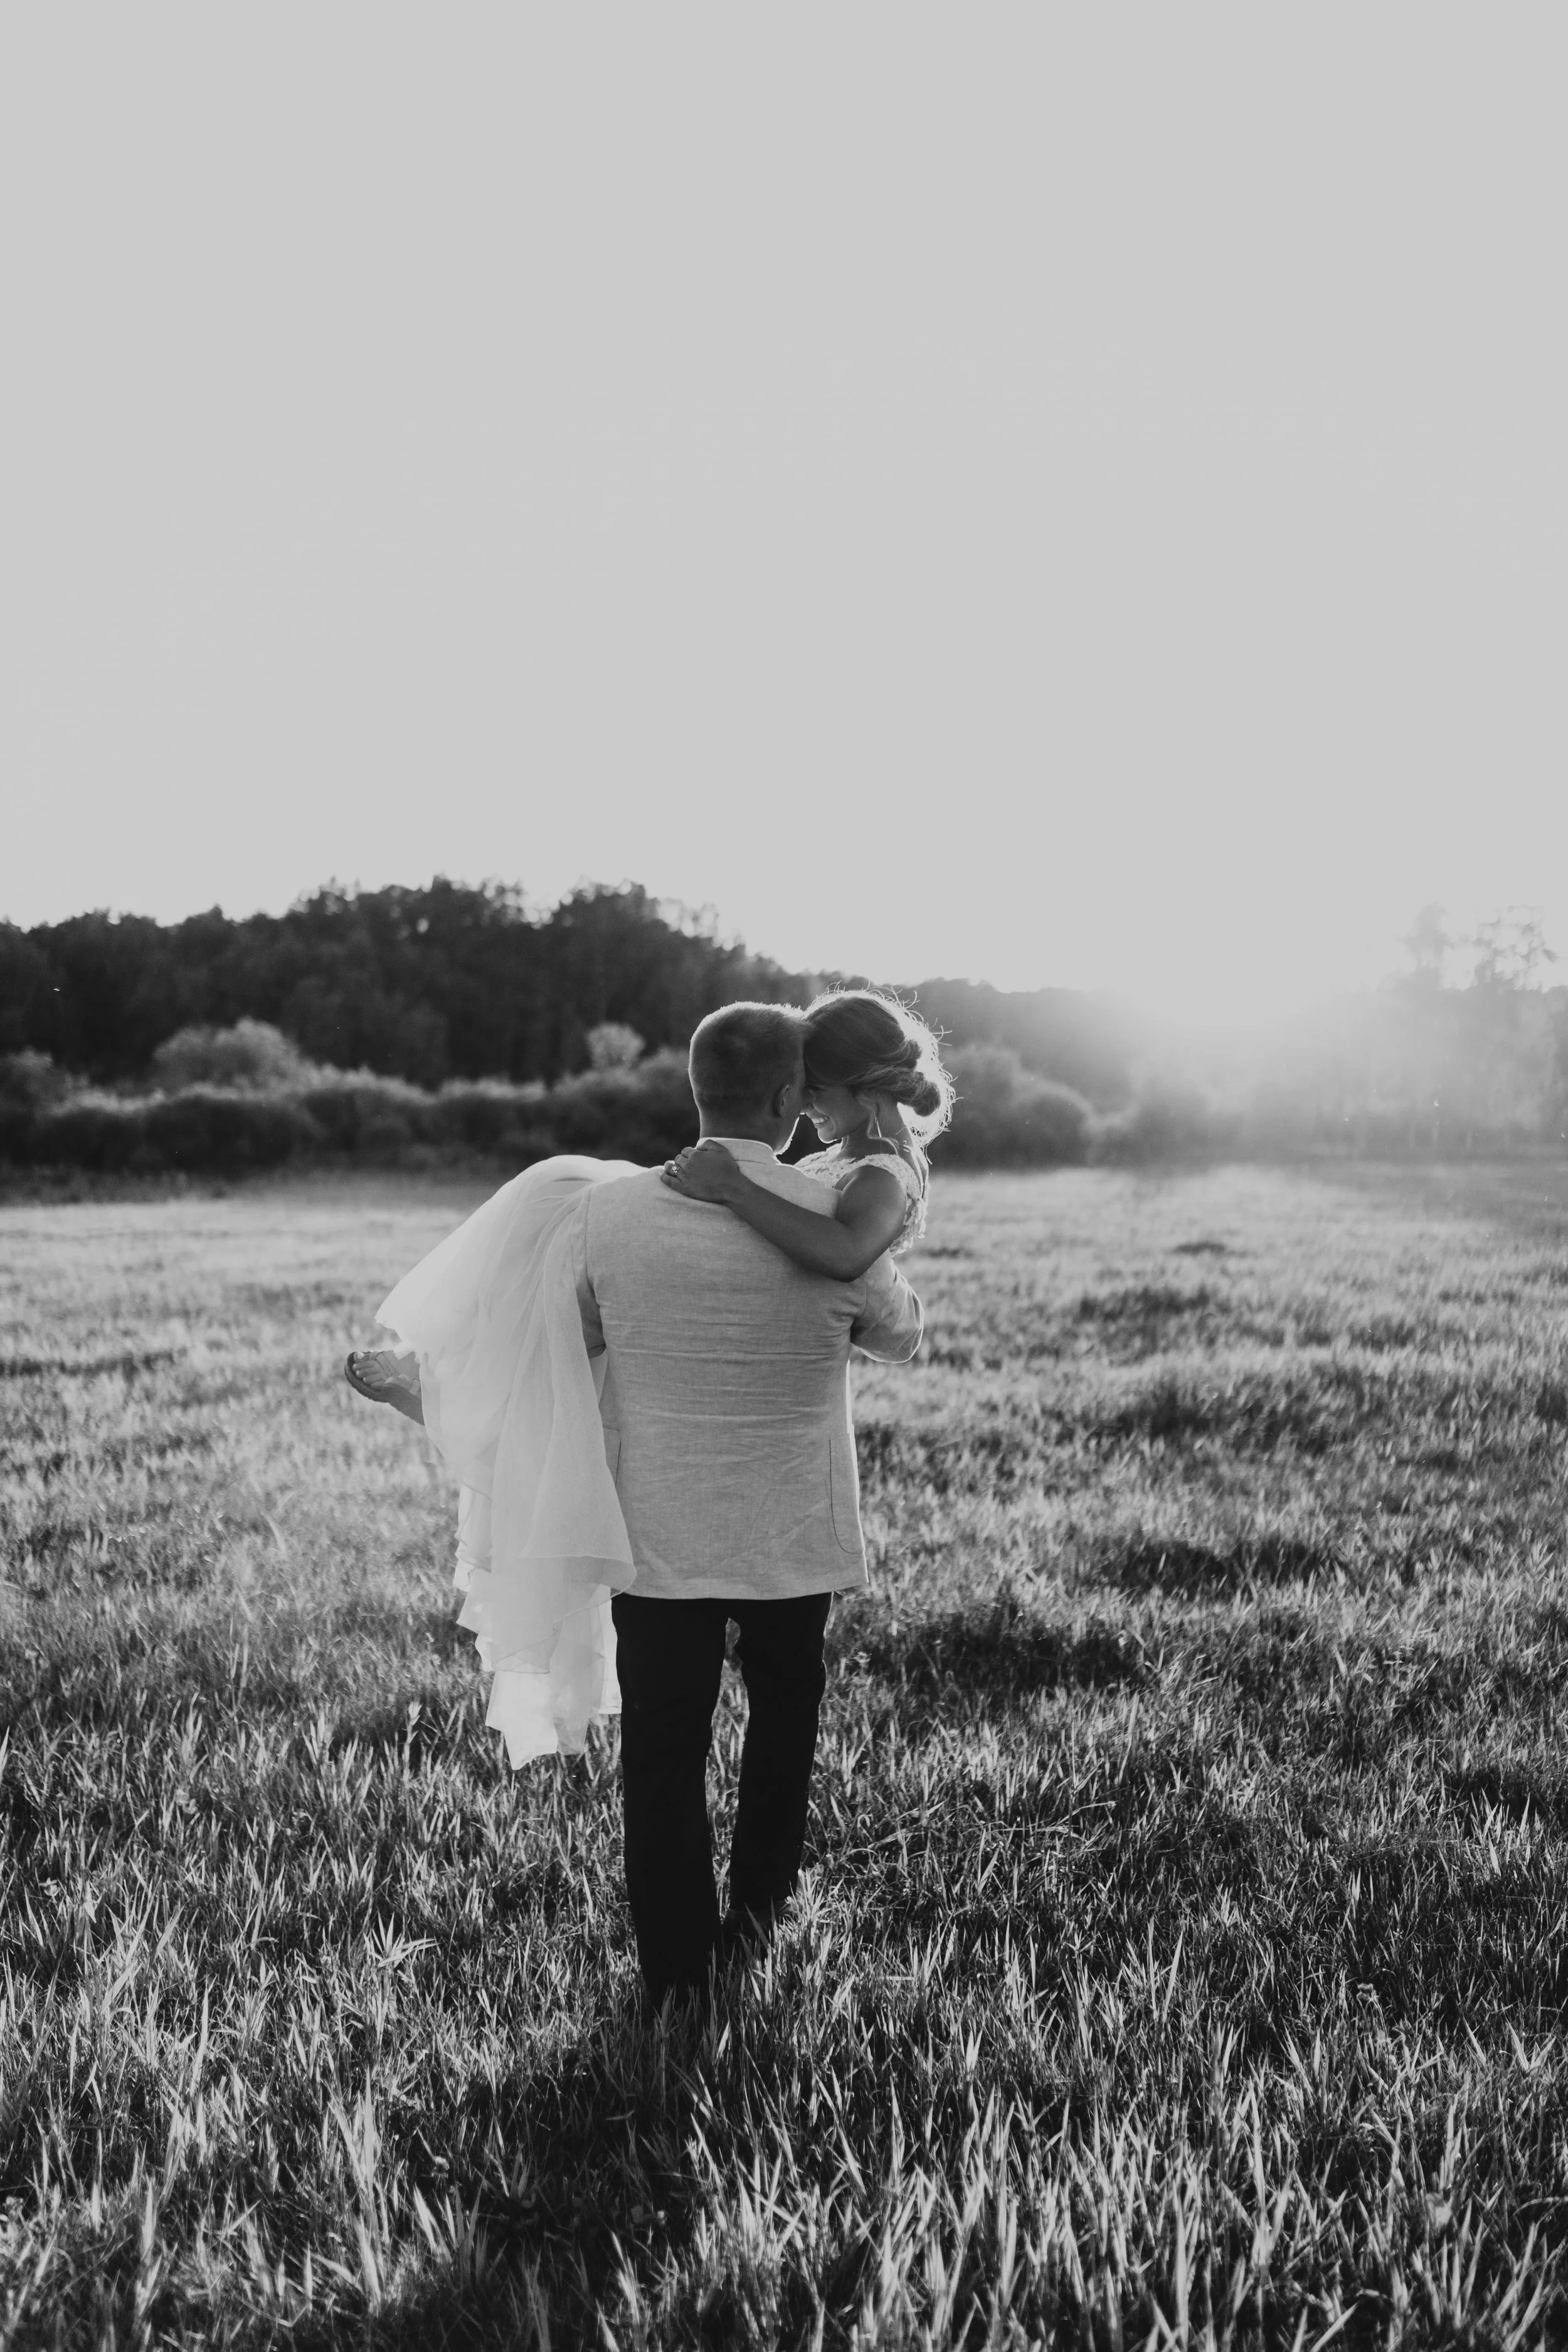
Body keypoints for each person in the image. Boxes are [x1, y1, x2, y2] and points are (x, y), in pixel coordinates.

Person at [344, 997, 933, 2004]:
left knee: (664, 1749)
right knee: (785, 1726)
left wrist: (438, 1385)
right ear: (787, 1097)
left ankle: (675, 1970)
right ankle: (761, 1917)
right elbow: (898, 1332)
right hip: (794, 1530)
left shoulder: (609, 1216)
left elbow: (554, 1351)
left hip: (656, 1535)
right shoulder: (833, 1218)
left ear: (696, 1090)